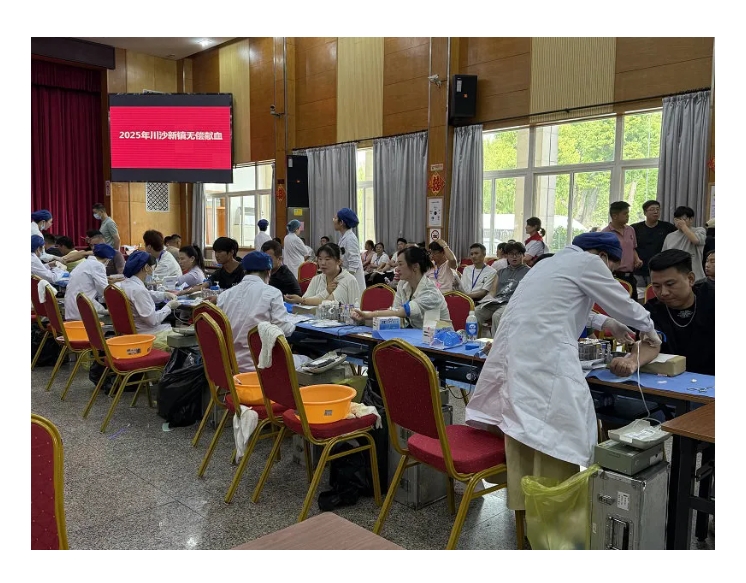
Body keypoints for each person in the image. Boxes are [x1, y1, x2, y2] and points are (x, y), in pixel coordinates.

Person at [464, 232, 661, 517]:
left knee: (523, 429)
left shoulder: (548, 264)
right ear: (602, 256)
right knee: (557, 434)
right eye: (612, 269)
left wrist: (608, 323)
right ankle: (554, 517)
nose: (609, 275)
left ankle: (526, 513)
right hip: (543, 360)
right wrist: (650, 330)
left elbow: (566, 303)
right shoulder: (589, 263)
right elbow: (623, 303)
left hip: (516, 356)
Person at [217, 251, 298, 372]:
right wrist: (293, 324)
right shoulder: (272, 293)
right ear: (268, 272)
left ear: (244, 271)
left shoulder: (224, 295)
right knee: (306, 360)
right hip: (260, 365)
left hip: (229, 367)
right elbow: (282, 329)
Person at [642, 249, 714, 375]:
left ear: (690, 279)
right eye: (656, 286)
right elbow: (649, 343)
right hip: (670, 378)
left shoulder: (712, 299)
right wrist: (632, 361)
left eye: (670, 284)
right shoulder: (651, 310)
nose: (664, 292)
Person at [352, 246, 450, 328]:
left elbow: (400, 312)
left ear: (415, 266)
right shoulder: (403, 284)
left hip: (440, 341)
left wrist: (368, 314)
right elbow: (395, 318)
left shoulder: (430, 293)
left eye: (400, 264)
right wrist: (363, 321)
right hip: (416, 336)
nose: (396, 269)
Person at [119, 251, 179, 350]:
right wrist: (169, 307)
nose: (152, 271)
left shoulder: (126, 284)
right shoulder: (138, 290)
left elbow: (146, 294)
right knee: (187, 338)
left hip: (132, 332)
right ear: (146, 267)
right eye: (153, 268)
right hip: (147, 335)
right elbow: (153, 321)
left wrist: (164, 295)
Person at [475, 241, 530, 335]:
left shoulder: (529, 272)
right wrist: (486, 300)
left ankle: (496, 343)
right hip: (497, 301)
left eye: (517, 254)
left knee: (497, 316)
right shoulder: (501, 272)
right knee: (476, 312)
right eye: (511, 254)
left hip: (513, 303)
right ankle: (476, 340)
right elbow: (493, 291)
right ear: (507, 256)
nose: (514, 257)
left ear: (523, 255)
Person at [284, 243, 361, 306]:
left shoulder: (349, 280)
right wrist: (326, 291)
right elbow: (304, 302)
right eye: (320, 259)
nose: (322, 263)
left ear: (338, 261)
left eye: (327, 259)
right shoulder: (317, 279)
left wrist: (302, 300)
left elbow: (354, 309)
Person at [63, 244, 116, 320]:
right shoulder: (98, 265)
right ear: (107, 259)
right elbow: (104, 289)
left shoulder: (85, 263)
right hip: (81, 308)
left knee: (103, 310)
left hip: (73, 305)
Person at [632, 200, 676, 291]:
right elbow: (631, 247)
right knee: (640, 294)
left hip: (659, 269)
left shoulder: (668, 227)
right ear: (645, 212)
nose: (656, 212)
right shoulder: (635, 228)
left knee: (656, 294)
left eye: (658, 209)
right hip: (639, 269)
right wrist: (636, 259)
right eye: (652, 209)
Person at [602, 201, 643, 300]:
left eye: (628, 213)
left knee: (633, 303)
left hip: (630, 276)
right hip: (615, 276)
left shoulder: (630, 230)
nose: (628, 216)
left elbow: (632, 248)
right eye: (625, 214)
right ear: (615, 216)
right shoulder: (605, 233)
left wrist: (637, 259)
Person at [662, 206, 707, 282]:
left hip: (696, 278)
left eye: (683, 219)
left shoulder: (699, 230)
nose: (679, 222)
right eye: (677, 219)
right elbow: (664, 255)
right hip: (675, 277)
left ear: (691, 219)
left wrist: (684, 226)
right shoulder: (670, 236)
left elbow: (696, 240)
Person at [333, 207, 366, 294]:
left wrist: (344, 279)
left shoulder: (350, 238)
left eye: (335, 218)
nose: (333, 220)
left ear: (341, 222)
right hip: (346, 277)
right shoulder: (344, 237)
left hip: (353, 281)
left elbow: (354, 264)